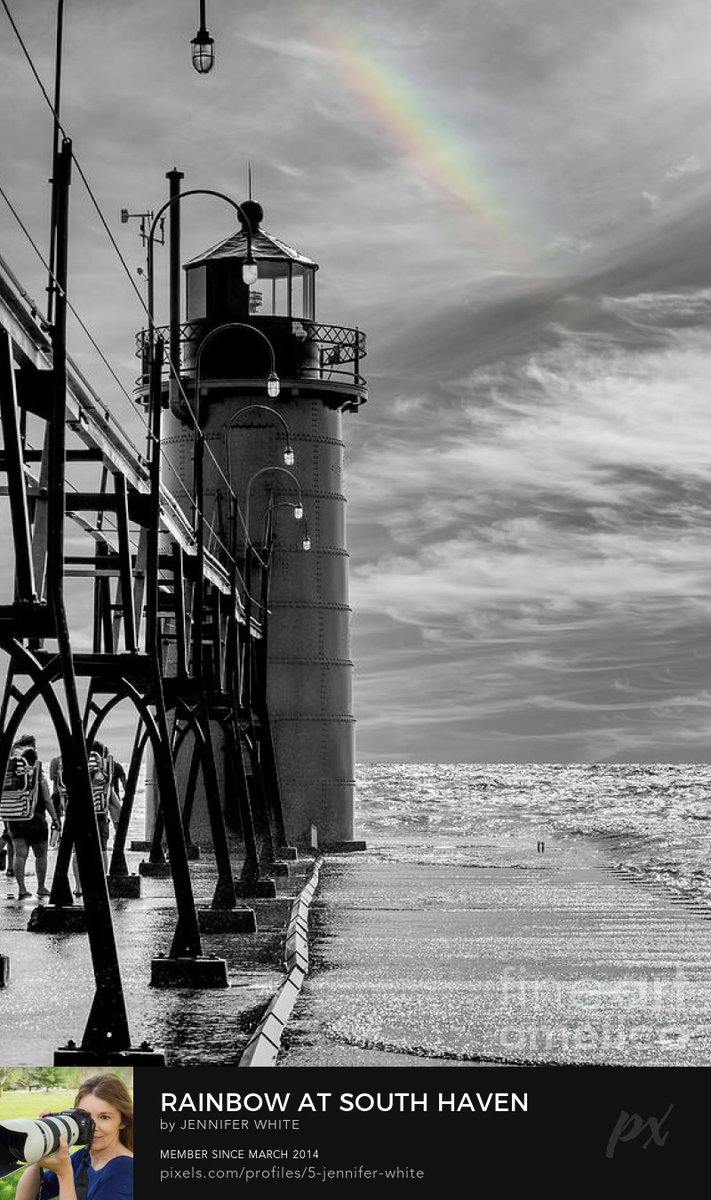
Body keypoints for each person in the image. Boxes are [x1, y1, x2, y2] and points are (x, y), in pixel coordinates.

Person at [15, 1072, 133, 1200]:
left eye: (104, 1117)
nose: (92, 1127)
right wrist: (42, 1147)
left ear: (123, 1121)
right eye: (85, 1117)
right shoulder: (84, 1156)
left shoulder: (125, 1170)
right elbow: (25, 1197)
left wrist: (64, 1174)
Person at [1, 734, 60, 900]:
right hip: (36, 820)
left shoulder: (10, 778)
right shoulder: (38, 778)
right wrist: (55, 819)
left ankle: (22, 889)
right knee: (41, 855)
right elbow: (47, 801)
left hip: (15, 820)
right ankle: (41, 887)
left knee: (20, 855)